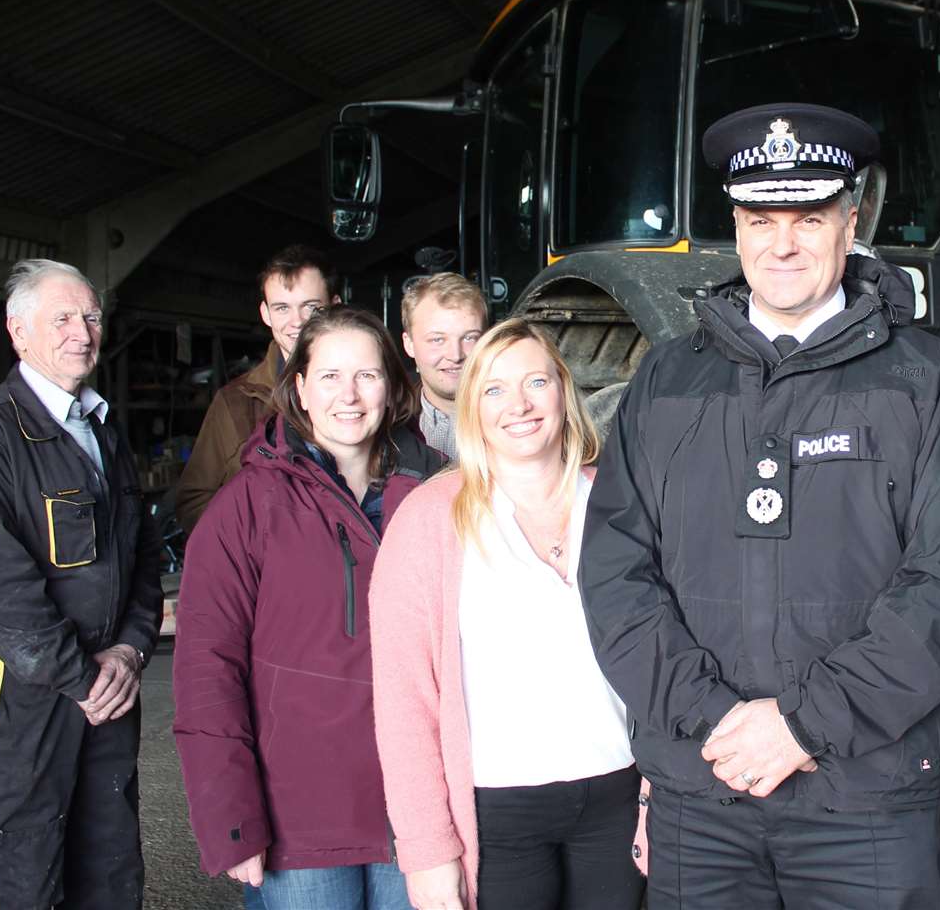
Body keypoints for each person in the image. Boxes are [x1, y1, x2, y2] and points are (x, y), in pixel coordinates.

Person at [579, 102, 940, 909]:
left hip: (866, 797)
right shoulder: (668, 382)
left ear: (851, 223)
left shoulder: (925, 379)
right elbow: (614, 575)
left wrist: (806, 725)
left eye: (809, 217)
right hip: (703, 794)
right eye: (760, 216)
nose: (782, 242)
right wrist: (711, 720)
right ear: (734, 226)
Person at [173, 305, 445, 909]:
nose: (349, 396)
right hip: (298, 818)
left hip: (417, 808)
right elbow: (206, 669)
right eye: (329, 377)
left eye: (368, 376)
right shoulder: (246, 506)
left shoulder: (437, 495)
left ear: (394, 386)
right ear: (299, 387)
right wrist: (231, 819)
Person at [370, 318, 644, 910]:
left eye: (535, 382)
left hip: (617, 798)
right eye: (494, 389)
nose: (518, 404)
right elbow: (404, 703)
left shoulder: (621, 504)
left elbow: (668, 659)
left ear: (563, 392)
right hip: (498, 813)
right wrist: (427, 851)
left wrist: (655, 797)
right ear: (472, 408)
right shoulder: (428, 520)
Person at [0, 258, 164, 910]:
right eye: (61, 318)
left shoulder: (101, 429)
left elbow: (139, 553)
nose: (82, 332)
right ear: (18, 330)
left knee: (106, 854)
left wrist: (131, 647)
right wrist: (81, 677)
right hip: (14, 702)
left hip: (104, 688)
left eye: (90, 316)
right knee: (11, 862)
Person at [175, 244, 339, 533]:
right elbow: (192, 501)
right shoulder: (235, 401)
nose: (297, 322)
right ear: (265, 313)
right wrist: (259, 547)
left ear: (335, 307)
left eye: (312, 307)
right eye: (282, 308)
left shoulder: (369, 393)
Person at [400, 273, 489, 462]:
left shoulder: (516, 420)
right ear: (409, 345)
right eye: (437, 340)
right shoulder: (389, 428)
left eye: (469, 337)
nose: (455, 355)